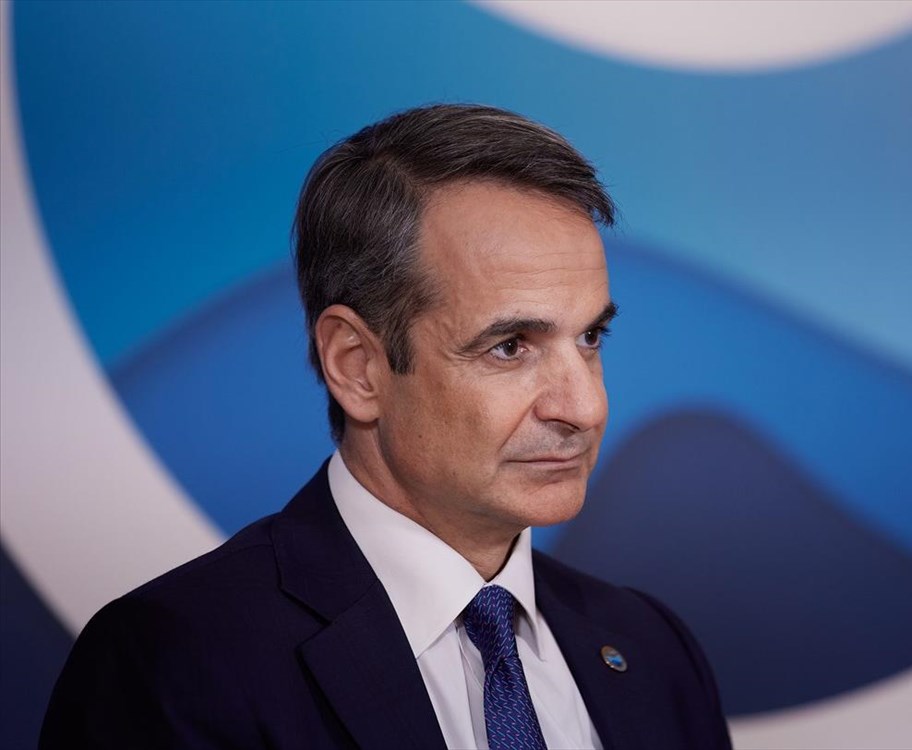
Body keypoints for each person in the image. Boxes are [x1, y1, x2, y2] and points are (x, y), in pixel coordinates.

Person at [40, 104, 733, 750]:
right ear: (358, 367)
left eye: (589, 339)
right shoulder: (175, 663)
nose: (583, 407)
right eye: (510, 347)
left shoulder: (653, 651)